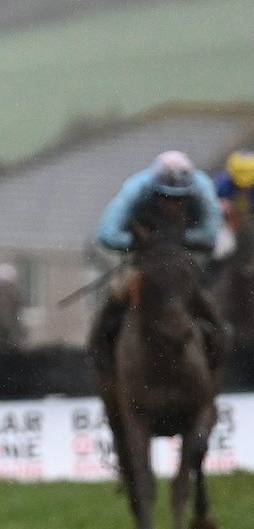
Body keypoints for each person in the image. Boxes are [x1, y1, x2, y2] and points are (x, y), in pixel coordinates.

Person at [90, 150, 227, 371]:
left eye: (180, 199)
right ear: (155, 191)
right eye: (166, 197)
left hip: (182, 259)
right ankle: (103, 361)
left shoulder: (203, 190)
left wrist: (173, 240)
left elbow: (210, 235)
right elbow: (107, 233)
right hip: (143, 260)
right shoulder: (136, 189)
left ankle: (216, 362)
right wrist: (144, 242)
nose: (172, 204)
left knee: (208, 305)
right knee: (114, 300)